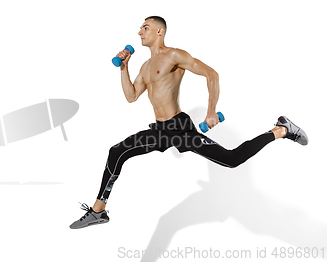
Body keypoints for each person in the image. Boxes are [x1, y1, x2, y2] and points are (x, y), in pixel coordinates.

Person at [69, 16, 308, 229]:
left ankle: (281, 130)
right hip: (161, 130)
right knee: (117, 151)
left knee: (232, 159)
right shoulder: (144, 66)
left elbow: (211, 74)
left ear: (159, 32)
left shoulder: (174, 55)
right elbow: (131, 96)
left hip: (179, 127)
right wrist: (124, 68)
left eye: (145, 27)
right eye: (140, 28)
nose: (140, 32)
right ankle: (98, 211)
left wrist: (211, 111)